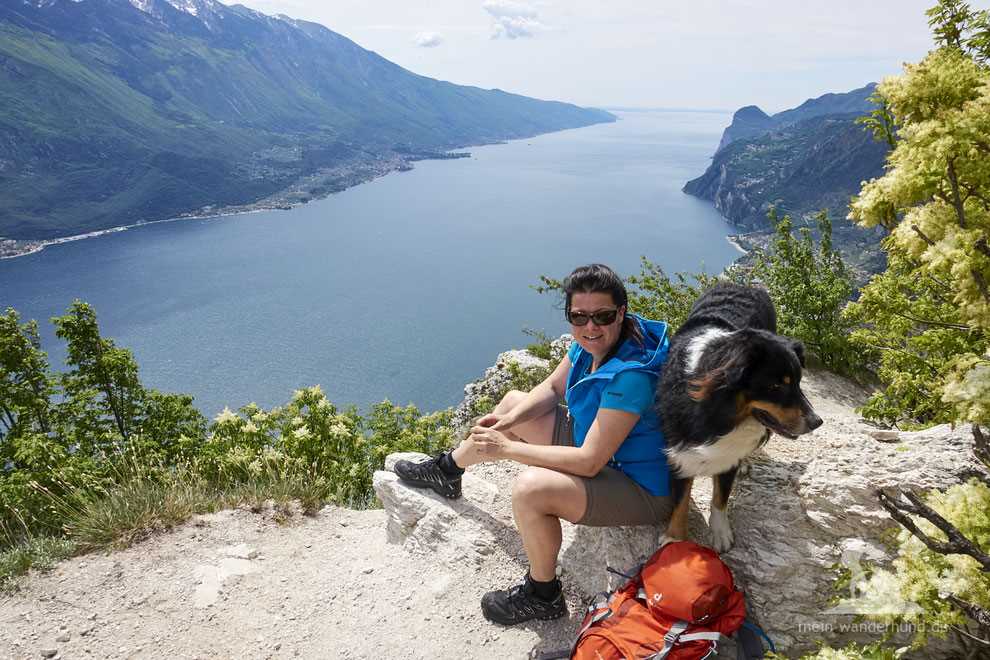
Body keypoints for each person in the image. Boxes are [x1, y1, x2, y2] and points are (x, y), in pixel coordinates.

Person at [394, 263, 674, 625]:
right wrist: (509, 423)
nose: (590, 327)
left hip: (638, 487)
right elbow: (553, 388)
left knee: (530, 490)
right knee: (513, 402)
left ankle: (543, 595)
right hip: (602, 451)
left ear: (621, 312)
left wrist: (507, 448)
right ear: (570, 315)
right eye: (579, 316)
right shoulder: (591, 344)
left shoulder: (632, 374)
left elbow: (589, 461)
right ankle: (448, 471)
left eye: (602, 316)